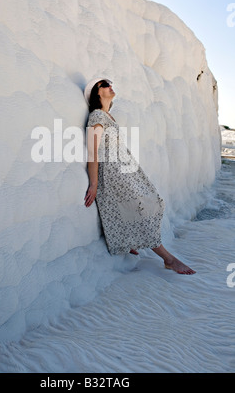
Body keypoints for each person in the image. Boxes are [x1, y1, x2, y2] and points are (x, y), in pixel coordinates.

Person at [84, 78, 196, 275]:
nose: (111, 86)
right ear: (97, 92)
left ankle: (129, 239)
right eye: (105, 85)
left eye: (111, 83)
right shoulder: (96, 117)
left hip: (122, 170)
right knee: (139, 208)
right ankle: (168, 259)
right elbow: (93, 152)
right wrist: (94, 184)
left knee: (152, 200)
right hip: (112, 175)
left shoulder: (107, 116)